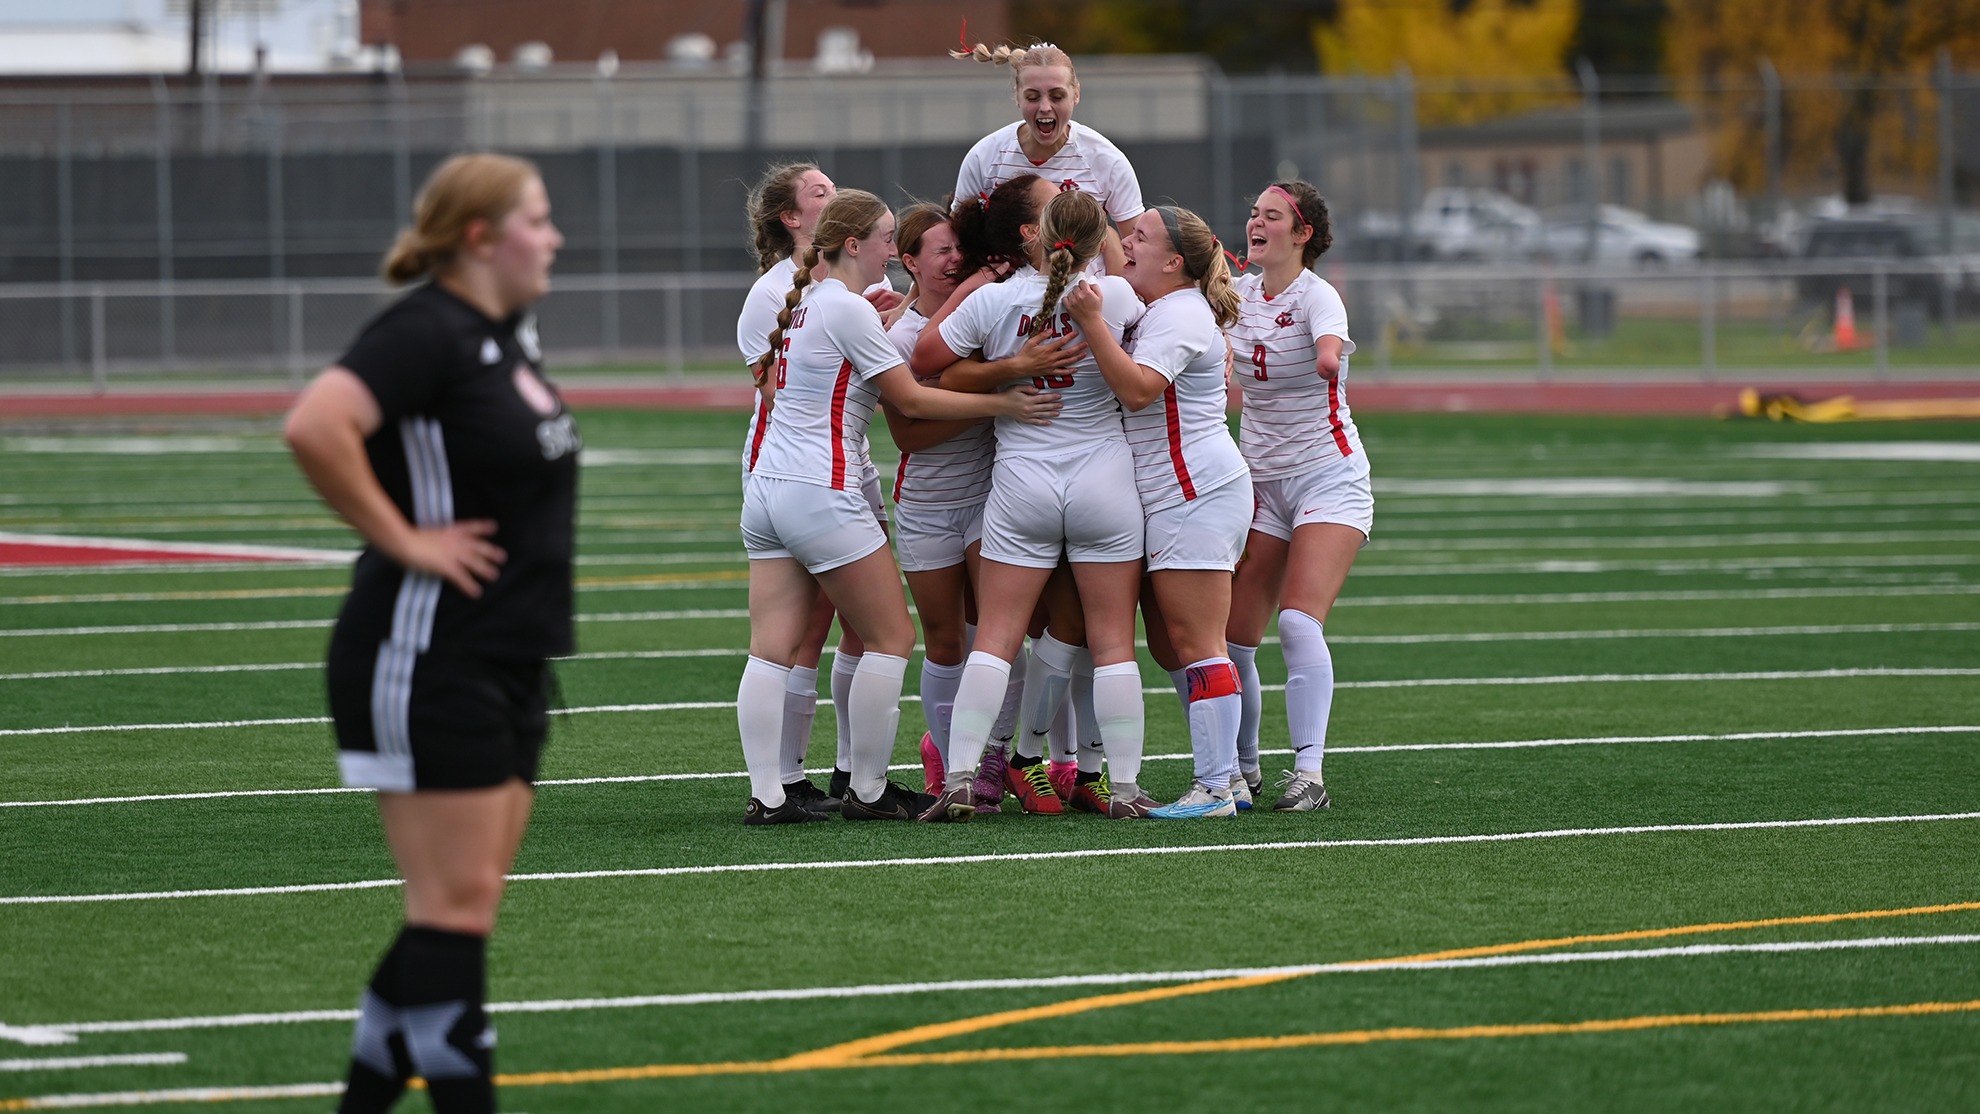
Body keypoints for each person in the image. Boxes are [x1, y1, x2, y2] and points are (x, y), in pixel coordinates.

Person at [283, 153, 572, 1114]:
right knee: (452, 915)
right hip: (426, 651)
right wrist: (405, 539)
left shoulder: (504, 338)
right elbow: (317, 426)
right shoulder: (428, 330)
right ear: (480, 237)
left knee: (458, 914)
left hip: (510, 655)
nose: (555, 237)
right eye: (537, 219)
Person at [739, 190, 1061, 823]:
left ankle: (768, 796)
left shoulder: (807, 302)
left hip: (768, 489)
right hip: (821, 490)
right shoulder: (847, 309)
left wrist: (907, 308)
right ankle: (867, 789)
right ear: (853, 244)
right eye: (888, 237)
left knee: (769, 647)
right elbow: (910, 402)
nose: (896, 248)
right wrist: (1005, 401)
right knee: (891, 637)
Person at [912, 187, 1157, 820]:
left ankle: (963, 778)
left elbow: (931, 365)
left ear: (1034, 236)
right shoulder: (1121, 295)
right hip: (1104, 478)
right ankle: (1124, 789)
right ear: (1097, 238)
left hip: (1022, 481)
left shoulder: (996, 297)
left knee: (994, 638)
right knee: (1112, 645)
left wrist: (1011, 365)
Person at [1065, 204, 1250, 819]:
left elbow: (1139, 388)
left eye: (1140, 236)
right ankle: (1228, 776)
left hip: (1193, 491)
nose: (1124, 242)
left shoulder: (1179, 312)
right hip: (1176, 492)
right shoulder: (1166, 306)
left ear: (1175, 261)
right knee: (1176, 646)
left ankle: (1218, 786)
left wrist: (1091, 322)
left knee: (1199, 642)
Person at [736, 162, 903, 818]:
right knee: (839, 631)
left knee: (821, 630)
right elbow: (787, 393)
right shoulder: (781, 292)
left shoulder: (844, 290)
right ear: (792, 218)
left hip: (823, 467)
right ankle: (830, 781)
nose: (836, 199)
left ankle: (795, 786)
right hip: (807, 471)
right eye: (820, 193)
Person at [1225, 180, 1369, 812]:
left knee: (1297, 619)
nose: (1257, 223)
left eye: (1272, 216)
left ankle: (1309, 775)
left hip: (1326, 475)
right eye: (1253, 213)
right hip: (1258, 479)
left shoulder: (1319, 297)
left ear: (1302, 232)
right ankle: (1243, 768)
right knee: (1232, 637)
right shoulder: (1236, 294)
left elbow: (1329, 344)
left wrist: (1329, 358)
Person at [951, 40, 1145, 244]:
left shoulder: (1107, 160)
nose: (1045, 107)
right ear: (1017, 95)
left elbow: (1138, 247)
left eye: (1057, 96)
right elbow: (957, 240)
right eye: (1033, 97)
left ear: (1076, 93)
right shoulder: (983, 156)